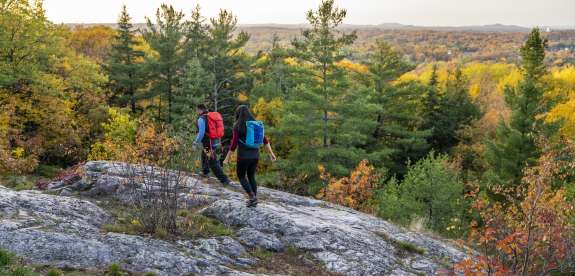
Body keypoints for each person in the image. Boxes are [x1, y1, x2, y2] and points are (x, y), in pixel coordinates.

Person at [224, 105, 277, 207]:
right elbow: (265, 140)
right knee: (251, 176)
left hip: (243, 156)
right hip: (255, 155)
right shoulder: (256, 124)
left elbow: (234, 144)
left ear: (238, 114)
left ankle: (252, 197)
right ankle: (254, 199)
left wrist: (227, 158)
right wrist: (271, 153)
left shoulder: (238, 126)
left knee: (241, 176)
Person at [194, 104, 230, 185]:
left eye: (197, 110)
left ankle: (224, 180)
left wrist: (195, 142)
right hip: (215, 141)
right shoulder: (210, 116)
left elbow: (201, 133)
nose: (197, 112)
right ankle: (205, 171)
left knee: (212, 161)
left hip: (208, 143)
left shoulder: (201, 119)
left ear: (200, 110)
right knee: (204, 154)